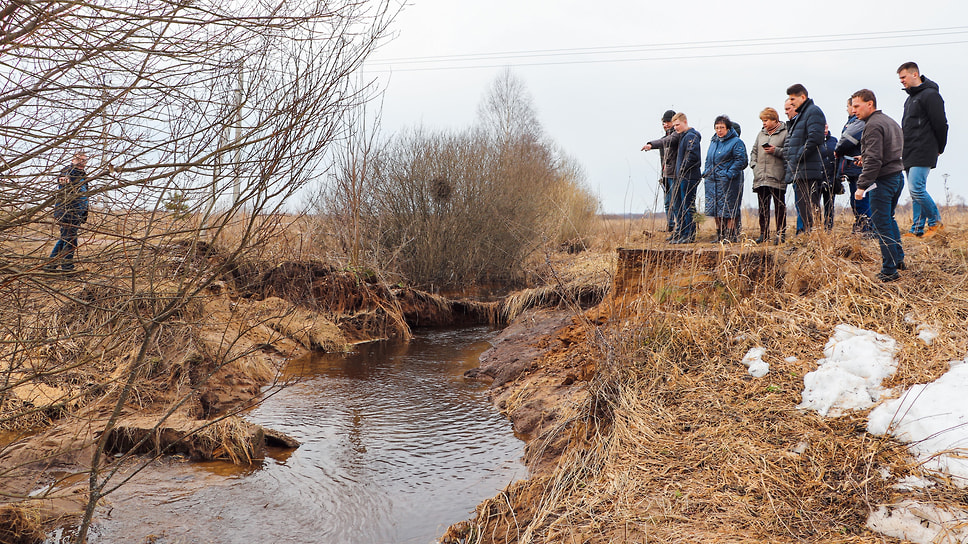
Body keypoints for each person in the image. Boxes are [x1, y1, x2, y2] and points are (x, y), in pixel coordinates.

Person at [850, 89, 905, 282]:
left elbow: (874, 160)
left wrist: (861, 186)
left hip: (883, 181)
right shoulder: (888, 120)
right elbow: (884, 152)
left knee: (881, 225)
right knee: (888, 219)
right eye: (852, 106)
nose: (853, 110)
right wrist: (864, 158)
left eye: (857, 106)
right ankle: (898, 259)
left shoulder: (872, 125)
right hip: (897, 177)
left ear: (870, 104)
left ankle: (889, 270)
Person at [897, 62, 948, 238]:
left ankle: (936, 223)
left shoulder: (930, 95)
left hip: (924, 148)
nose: (901, 81)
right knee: (914, 191)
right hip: (909, 150)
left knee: (917, 188)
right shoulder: (910, 98)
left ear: (915, 74)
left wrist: (940, 147)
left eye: (903, 77)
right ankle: (917, 229)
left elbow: (941, 124)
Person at [782, 83, 827, 233]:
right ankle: (808, 238)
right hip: (800, 169)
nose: (792, 102)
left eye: (793, 99)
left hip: (808, 169)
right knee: (803, 208)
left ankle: (814, 239)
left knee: (810, 208)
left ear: (803, 97)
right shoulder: (802, 114)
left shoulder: (813, 111)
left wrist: (798, 156)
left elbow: (815, 138)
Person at [702, 115, 748, 243]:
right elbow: (708, 159)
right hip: (712, 181)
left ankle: (730, 235)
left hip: (729, 182)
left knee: (729, 209)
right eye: (717, 127)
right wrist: (706, 172)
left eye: (722, 127)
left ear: (728, 128)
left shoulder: (736, 142)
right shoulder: (714, 141)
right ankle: (720, 235)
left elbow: (741, 161)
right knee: (716, 209)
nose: (719, 130)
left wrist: (728, 174)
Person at [44, 152, 89, 272]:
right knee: (71, 240)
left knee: (65, 239)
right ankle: (67, 268)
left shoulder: (82, 174)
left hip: (77, 213)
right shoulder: (68, 171)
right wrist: (64, 181)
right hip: (67, 212)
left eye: (84, 160)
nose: (82, 163)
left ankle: (50, 265)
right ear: (73, 160)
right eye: (79, 160)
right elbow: (63, 180)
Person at [749, 107, 788, 244]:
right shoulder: (761, 134)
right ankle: (763, 234)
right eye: (762, 120)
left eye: (766, 120)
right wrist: (754, 165)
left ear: (774, 119)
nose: (764, 123)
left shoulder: (785, 133)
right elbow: (754, 151)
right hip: (761, 177)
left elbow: (789, 152)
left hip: (777, 175)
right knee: (763, 207)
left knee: (779, 207)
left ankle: (780, 234)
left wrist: (775, 150)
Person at [835, 98, 872, 235]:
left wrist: (837, 150)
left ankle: (866, 227)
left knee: (860, 198)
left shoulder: (858, 122)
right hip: (852, 167)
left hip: (857, 167)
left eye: (849, 106)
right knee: (855, 198)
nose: (848, 109)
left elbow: (846, 140)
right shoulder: (852, 122)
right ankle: (862, 225)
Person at [641, 110, 680, 237]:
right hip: (665, 175)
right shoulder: (665, 138)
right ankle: (670, 226)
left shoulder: (677, 137)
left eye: (668, 122)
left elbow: (666, 143)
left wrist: (650, 145)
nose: (665, 125)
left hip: (675, 174)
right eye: (664, 122)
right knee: (667, 202)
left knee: (676, 201)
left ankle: (680, 226)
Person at [667, 112, 702, 243]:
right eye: (674, 125)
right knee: (683, 205)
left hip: (689, 176)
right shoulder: (683, 136)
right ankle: (683, 233)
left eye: (678, 125)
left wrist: (682, 168)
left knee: (688, 206)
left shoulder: (691, 136)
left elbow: (693, 156)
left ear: (685, 122)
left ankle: (689, 235)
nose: (675, 128)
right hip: (683, 176)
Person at [818, 125, 839, 231]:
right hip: (817, 177)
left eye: (826, 127)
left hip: (831, 177)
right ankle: (816, 228)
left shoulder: (834, 141)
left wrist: (838, 175)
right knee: (815, 205)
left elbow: (838, 157)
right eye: (823, 128)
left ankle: (828, 228)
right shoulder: (815, 141)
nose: (825, 130)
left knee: (829, 205)